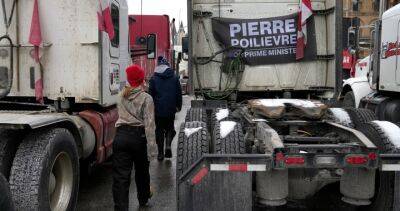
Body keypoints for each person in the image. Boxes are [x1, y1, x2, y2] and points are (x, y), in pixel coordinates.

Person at [113, 65, 156, 210]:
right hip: (139, 137)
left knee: (121, 176)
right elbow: (149, 125)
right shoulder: (146, 98)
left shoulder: (121, 95)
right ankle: (143, 198)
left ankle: (121, 207)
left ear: (129, 79)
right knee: (142, 170)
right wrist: (152, 150)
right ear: (141, 79)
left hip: (120, 137)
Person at [149, 56, 182, 161]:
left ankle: (160, 154)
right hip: (171, 108)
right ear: (167, 66)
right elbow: (178, 93)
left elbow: (150, 95)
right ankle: (168, 145)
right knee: (169, 128)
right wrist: (178, 106)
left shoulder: (154, 78)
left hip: (158, 109)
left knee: (159, 129)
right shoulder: (174, 77)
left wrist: (151, 108)